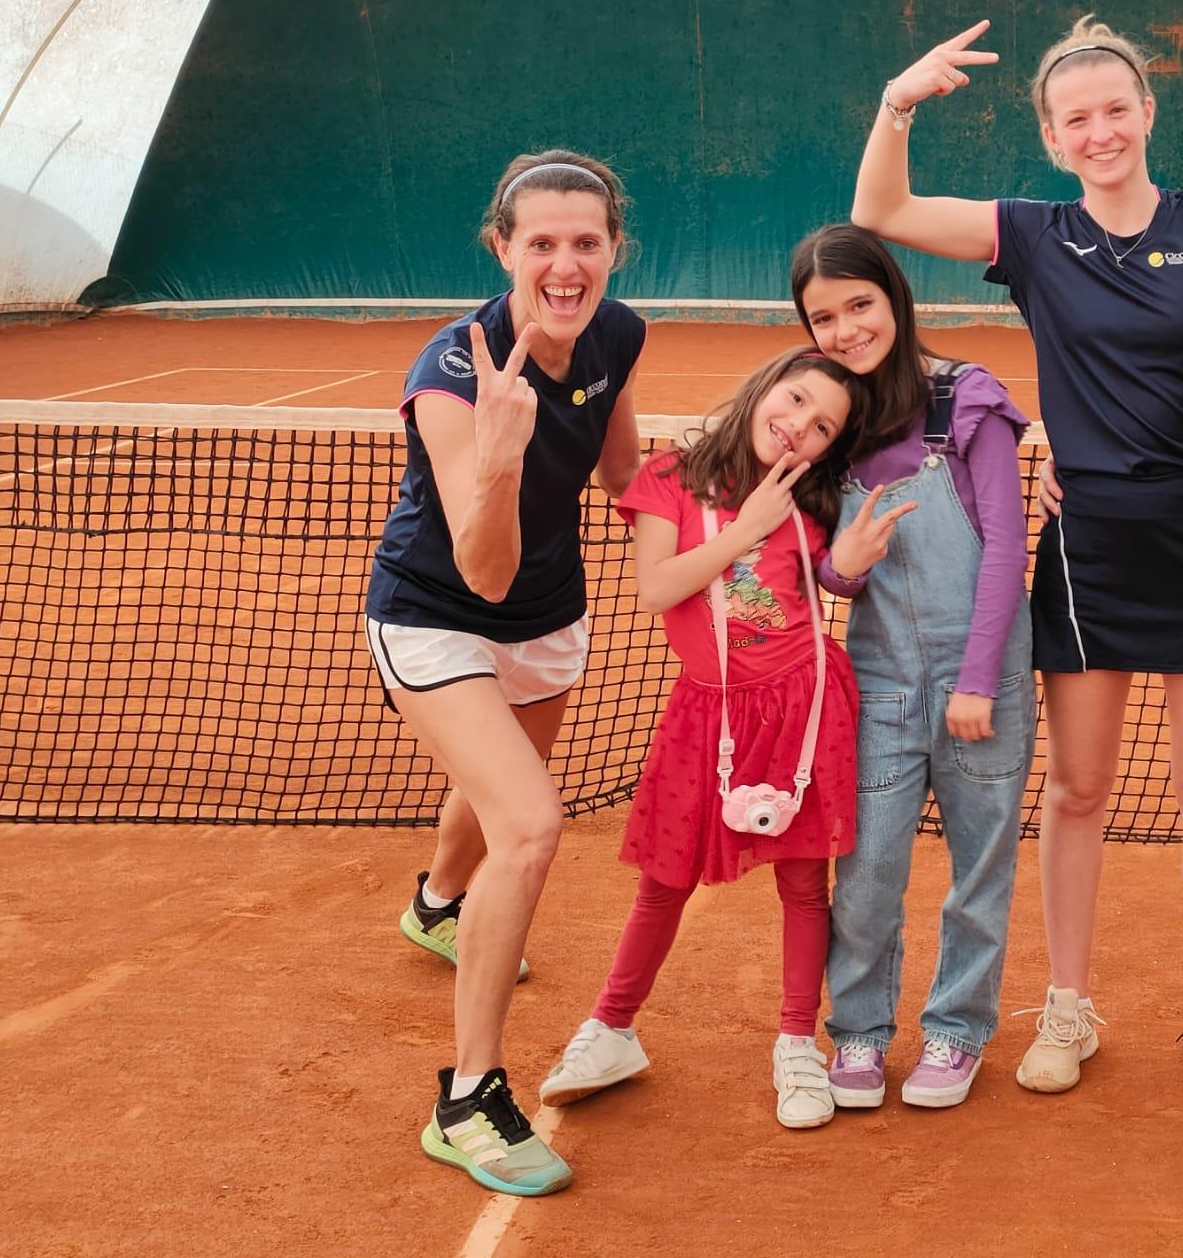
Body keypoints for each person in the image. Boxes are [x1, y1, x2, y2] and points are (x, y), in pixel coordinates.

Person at [851, 17, 1183, 1100]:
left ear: (1146, 115)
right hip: (1090, 551)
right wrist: (899, 100)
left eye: (1115, 110)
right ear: (1050, 135)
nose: (1099, 131)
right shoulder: (1033, 236)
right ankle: (1068, 1008)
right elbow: (879, 214)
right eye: (1075, 117)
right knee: (1078, 790)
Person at [539, 346, 916, 1130]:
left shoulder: (814, 500)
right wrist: (746, 528)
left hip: (803, 711)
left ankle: (794, 1044)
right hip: (706, 712)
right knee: (663, 881)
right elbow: (657, 588)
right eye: (796, 401)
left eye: (821, 428)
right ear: (764, 385)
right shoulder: (667, 479)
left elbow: (826, 587)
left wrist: (843, 566)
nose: (797, 429)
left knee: (806, 888)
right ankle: (611, 1028)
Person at [367, 150, 645, 1197]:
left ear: (613, 248)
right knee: (529, 824)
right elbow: (479, 574)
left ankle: (437, 903)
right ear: (504, 248)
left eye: (586, 243)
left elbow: (623, 471)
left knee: (490, 805)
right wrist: (495, 452)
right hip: (437, 618)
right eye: (542, 243)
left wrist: (737, 511)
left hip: (548, 616)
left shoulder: (616, 333)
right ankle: (468, 1099)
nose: (565, 265)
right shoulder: (450, 374)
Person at [788, 224, 1034, 1111]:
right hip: (881, 684)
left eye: (860, 304)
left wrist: (974, 681)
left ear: (894, 296)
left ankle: (958, 1032)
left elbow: (1006, 548)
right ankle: (855, 1032)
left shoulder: (966, 399)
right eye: (824, 316)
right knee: (866, 873)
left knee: (979, 871)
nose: (846, 328)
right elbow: (829, 571)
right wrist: (843, 566)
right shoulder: (827, 423)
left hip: (984, 682)